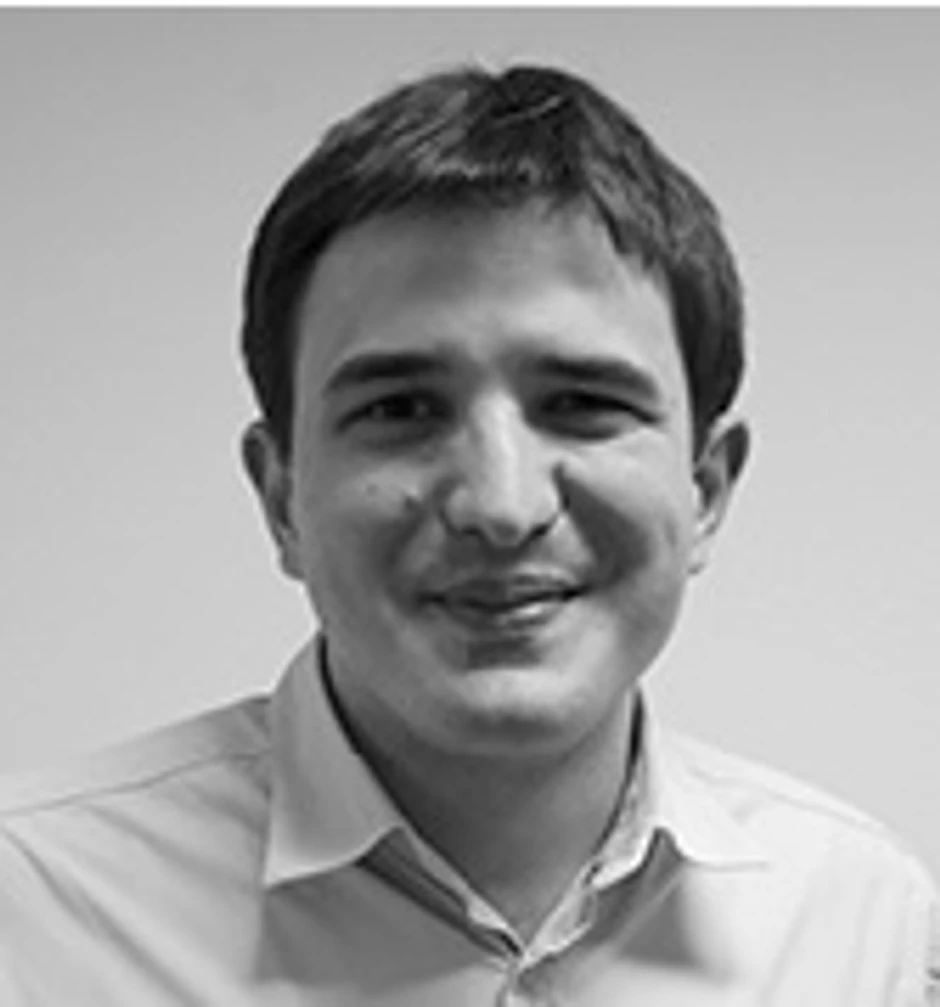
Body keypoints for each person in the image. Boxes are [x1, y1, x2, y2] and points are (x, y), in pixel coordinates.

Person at [0, 62, 936, 1005]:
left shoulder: (863, 923)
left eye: (583, 403)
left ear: (706, 488)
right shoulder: (30, 912)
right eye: (401, 408)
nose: (501, 504)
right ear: (281, 497)